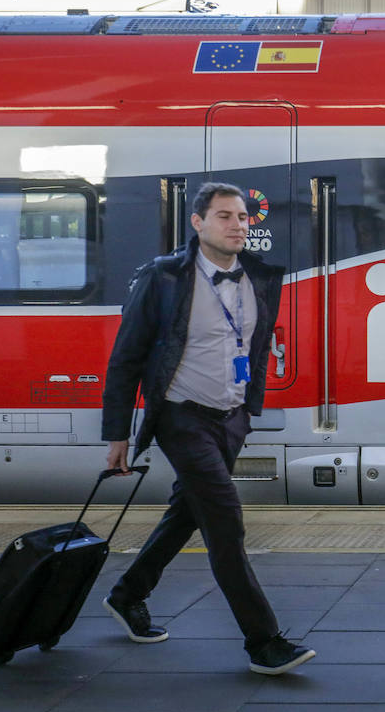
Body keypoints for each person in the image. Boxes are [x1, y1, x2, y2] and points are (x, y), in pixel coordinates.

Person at [100, 182, 316, 675]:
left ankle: (127, 593)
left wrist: (247, 407)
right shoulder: (163, 278)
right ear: (197, 223)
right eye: (225, 216)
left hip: (230, 418)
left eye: (242, 217)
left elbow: (256, 348)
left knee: (187, 512)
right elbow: (125, 359)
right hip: (181, 416)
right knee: (225, 521)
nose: (238, 225)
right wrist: (119, 436)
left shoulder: (261, 277)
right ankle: (263, 642)